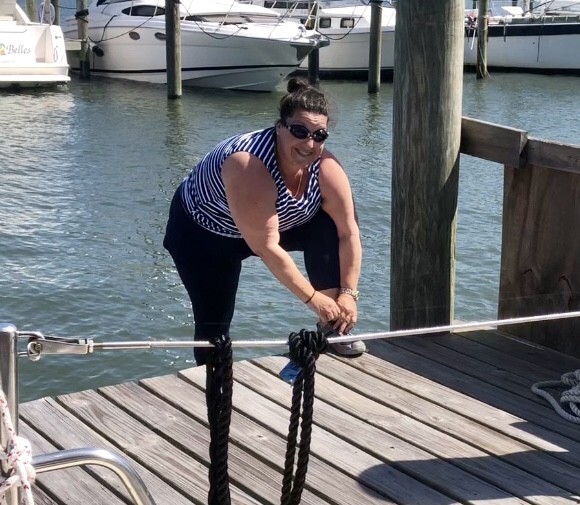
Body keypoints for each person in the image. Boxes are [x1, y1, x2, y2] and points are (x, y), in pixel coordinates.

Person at [163, 77, 365, 366]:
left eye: (319, 135)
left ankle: (334, 325)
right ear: (279, 128)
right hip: (205, 236)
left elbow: (349, 233)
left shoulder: (327, 168)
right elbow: (266, 247)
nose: (309, 143)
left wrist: (348, 294)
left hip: (273, 222)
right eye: (299, 131)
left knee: (328, 225)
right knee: (213, 327)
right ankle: (215, 390)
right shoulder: (248, 165)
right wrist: (312, 299)